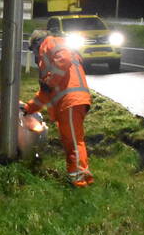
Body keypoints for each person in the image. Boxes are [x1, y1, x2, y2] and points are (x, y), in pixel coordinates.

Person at [23, 34, 94, 187]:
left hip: (70, 100)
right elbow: (44, 93)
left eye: (33, 51)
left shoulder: (49, 43)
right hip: (71, 101)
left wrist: (50, 81)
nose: (35, 55)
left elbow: (64, 59)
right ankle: (81, 177)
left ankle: (79, 181)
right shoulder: (49, 55)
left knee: (73, 142)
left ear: (36, 44)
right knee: (72, 141)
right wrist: (29, 108)